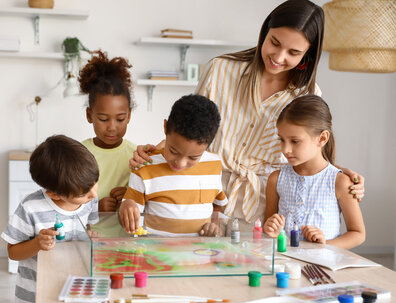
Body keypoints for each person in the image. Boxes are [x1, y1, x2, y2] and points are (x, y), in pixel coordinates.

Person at [130, 0, 364, 224]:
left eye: (293, 52)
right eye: (274, 42)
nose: (279, 57)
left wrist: (341, 176)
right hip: (204, 196)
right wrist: (158, 150)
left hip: (267, 207)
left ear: (307, 55)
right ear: (265, 32)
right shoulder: (220, 70)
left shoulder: (307, 95)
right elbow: (192, 130)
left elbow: (310, 155)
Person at [1, 135, 99, 303]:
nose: (94, 194)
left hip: (76, 300)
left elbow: (92, 228)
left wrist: (94, 235)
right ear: (54, 194)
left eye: (95, 183)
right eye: (84, 194)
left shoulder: (89, 199)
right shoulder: (30, 208)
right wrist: (36, 243)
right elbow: (12, 251)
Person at [263, 95, 365, 249]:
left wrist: (325, 245)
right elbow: (269, 228)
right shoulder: (275, 180)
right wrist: (271, 229)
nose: (285, 149)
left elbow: (358, 234)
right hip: (285, 266)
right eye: (282, 140)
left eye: (295, 141)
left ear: (322, 138)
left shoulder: (340, 182)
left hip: (324, 268)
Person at [119, 94, 227, 236]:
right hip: (155, 254)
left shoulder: (214, 164)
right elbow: (129, 218)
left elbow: (218, 206)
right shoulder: (144, 166)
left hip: (198, 254)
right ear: (165, 128)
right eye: (173, 151)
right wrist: (126, 206)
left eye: (193, 157)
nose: (180, 163)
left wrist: (213, 226)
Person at [79, 50, 137, 212]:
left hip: (124, 236)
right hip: (88, 235)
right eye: (104, 119)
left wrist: (130, 196)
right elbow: (66, 202)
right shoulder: (79, 154)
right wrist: (95, 208)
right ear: (89, 115)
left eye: (120, 119)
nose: (112, 127)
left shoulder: (136, 156)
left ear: (129, 116)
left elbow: (148, 199)